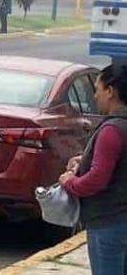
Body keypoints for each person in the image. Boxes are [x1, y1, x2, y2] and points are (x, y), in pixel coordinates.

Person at [59, 64, 127, 275]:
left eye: (98, 89)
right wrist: (85, 159)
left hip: (109, 221)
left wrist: (69, 181)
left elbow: (97, 179)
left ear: (110, 91)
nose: (95, 95)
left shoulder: (112, 129)